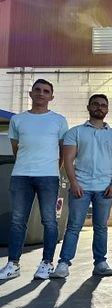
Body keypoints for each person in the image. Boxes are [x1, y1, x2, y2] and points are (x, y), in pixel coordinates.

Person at [0, 79, 68, 281]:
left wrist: (53, 169)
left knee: (49, 221)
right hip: (21, 176)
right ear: (30, 94)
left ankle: (47, 263)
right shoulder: (18, 120)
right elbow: (15, 148)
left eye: (46, 91)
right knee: (17, 221)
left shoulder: (59, 120)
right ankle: (13, 264)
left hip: (48, 177)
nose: (41, 93)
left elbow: (63, 150)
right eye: (37, 90)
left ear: (51, 97)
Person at [52, 94, 112, 278]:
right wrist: (73, 182)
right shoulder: (75, 132)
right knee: (74, 226)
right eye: (96, 104)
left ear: (107, 109)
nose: (99, 107)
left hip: (105, 188)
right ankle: (63, 264)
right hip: (80, 187)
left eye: (103, 105)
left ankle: (100, 262)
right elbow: (68, 160)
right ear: (88, 107)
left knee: (101, 227)